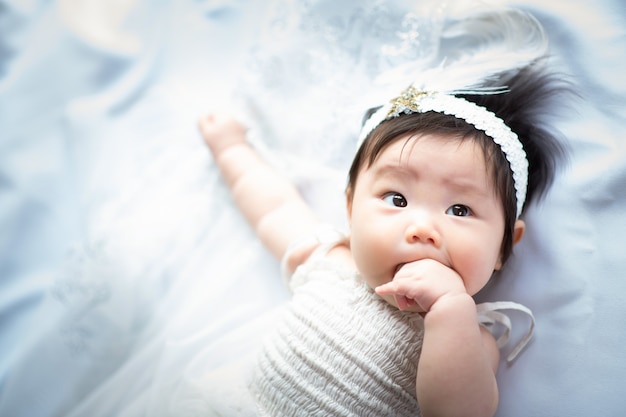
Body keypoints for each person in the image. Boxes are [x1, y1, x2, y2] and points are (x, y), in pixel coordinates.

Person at [198, 10, 569, 417]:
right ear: (350, 206)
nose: (423, 228)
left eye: (459, 209)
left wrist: (450, 310)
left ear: (503, 247)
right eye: (396, 199)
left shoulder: (473, 339)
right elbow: (273, 207)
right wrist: (232, 149)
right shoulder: (331, 261)